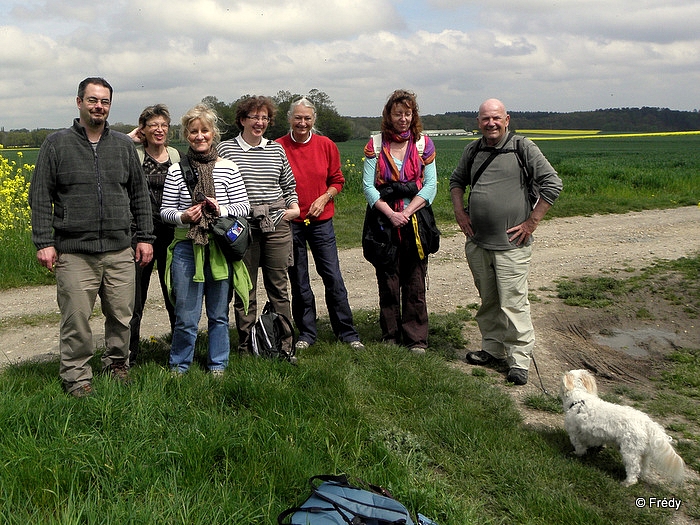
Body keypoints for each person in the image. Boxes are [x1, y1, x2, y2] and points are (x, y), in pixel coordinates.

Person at [29, 77, 154, 397]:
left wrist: (144, 237)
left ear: (109, 106)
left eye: (105, 101)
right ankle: (75, 375)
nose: (99, 106)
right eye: (93, 100)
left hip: (118, 249)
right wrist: (44, 242)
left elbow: (139, 195)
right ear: (79, 102)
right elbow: (41, 196)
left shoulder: (123, 146)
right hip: (74, 251)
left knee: (121, 315)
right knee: (76, 319)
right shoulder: (56, 144)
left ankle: (116, 363)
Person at [449, 98, 563, 385]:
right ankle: (492, 349)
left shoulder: (522, 148)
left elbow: (553, 183)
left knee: (513, 303)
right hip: (478, 242)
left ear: (507, 119)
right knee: (489, 301)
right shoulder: (472, 149)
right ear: (478, 122)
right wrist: (460, 213)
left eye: (496, 118)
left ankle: (519, 361)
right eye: (486, 118)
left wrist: (532, 222)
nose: (491, 123)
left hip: (512, 245)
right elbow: (456, 181)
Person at [160, 104, 250, 375]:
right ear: (186, 135)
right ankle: (179, 365)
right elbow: (165, 212)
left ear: (214, 134)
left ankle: (218, 364)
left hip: (219, 248)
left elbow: (243, 208)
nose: (199, 136)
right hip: (187, 248)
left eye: (205, 131)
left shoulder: (229, 168)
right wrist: (184, 217)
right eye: (193, 132)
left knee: (218, 315)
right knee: (186, 316)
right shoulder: (177, 170)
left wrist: (220, 208)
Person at [277, 97, 364, 352]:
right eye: (297, 118)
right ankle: (306, 332)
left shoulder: (326, 145)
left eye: (307, 118)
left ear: (314, 120)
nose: (302, 123)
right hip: (292, 222)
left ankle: (347, 332)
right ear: (290, 119)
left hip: (321, 221)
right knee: (299, 278)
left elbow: (337, 180)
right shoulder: (278, 147)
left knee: (332, 275)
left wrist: (325, 197)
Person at [217, 96, 300, 355]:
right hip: (243, 227)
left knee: (279, 287)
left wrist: (293, 209)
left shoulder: (276, 150)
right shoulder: (225, 150)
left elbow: (289, 185)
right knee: (245, 287)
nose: (260, 122)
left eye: (264, 118)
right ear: (242, 119)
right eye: (254, 117)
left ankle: (283, 345)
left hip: (276, 225)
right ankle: (247, 345)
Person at [362, 89, 437, 353]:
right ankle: (391, 335)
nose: (403, 119)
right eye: (398, 113)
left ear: (413, 115)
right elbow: (369, 187)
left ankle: (416, 338)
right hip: (383, 223)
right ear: (389, 115)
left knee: (415, 281)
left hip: (415, 222)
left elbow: (430, 186)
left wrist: (407, 212)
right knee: (388, 280)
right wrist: (391, 214)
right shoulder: (376, 144)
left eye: (408, 113)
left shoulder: (423, 144)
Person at [127, 104, 180, 363]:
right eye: (153, 126)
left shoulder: (175, 155)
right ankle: (129, 354)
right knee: (135, 298)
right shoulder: (133, 154)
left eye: (163, 125)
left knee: (174, 293)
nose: (159, 130)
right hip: (139, 235)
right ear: (143, 130)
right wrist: (129, 138)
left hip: (171, 234)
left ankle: (179, 350)